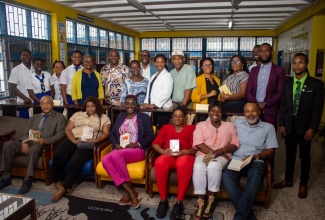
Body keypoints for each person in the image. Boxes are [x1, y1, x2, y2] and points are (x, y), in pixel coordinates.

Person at [273, 53, 324, 199]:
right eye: (294, 63)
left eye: (300, 63)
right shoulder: (287, 84)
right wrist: (282, 124)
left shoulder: (317, 84)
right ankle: (288, 180)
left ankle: (303, 184)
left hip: (306, 127)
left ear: (306, 64)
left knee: (305, 156)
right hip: (289, 126)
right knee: (290, 154)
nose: (297, 65)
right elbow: (282, 105)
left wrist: (312, 128)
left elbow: (317, 108)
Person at [222, 102, 278, 220]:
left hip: (255, 160)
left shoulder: (268, 127)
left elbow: (271, 151)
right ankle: (249, 215)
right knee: (226, 175)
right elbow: (220, 127)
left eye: (253, 111)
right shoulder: (236, 123)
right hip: (237, 159)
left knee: (256, 175)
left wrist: (256, 156)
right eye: (247, 111)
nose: (250, 114)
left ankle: (240, 216)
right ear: (244, 113)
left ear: (259, 112)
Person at [0, 96, 66, 194]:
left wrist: (45, 141)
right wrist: (24, 143)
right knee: (8, 144)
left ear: (52, 104)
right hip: (29, 142)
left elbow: (60, 134)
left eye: (48, 103)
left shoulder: (60, 117)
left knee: (35, 148)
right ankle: (6, 177)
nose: (45, 106)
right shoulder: (34, 117)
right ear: (40, 105)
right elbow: (26, 133)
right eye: (42, 103)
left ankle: (28, 179)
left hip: (43, 145)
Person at [51, 96, 111, 202]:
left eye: (93, 106)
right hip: (73, 139)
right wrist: (73, 140)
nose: (90, 109)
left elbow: (106, 134)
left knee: (76, 160)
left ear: (97, 106)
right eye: (88, 106)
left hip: (87, 143)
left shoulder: (103, 118)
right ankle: (56, 181)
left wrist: (95, 141)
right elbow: (67, 129)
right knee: (59, 154)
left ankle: (64, 188)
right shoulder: (77, 115)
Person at [101, 95, 155, 209]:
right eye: (128, 103)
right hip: (120, 149)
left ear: (136, 105)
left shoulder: (144, 117)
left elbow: (150, 136)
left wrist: (137, 143)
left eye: (133, 103)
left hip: (137, 150)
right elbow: (112, 134)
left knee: (116, 155)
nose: (130, 106)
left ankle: (129, 193)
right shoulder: (121, 116)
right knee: (105, 160)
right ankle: (130, 190)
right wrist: (116, 144)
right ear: (124, 105)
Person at [192, 101, 239, 220]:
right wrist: (212, 153)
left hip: (222, 156)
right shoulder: (201, 125)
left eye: (219, 111)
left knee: (213, 166)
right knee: (198, 167)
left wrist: (220, 151)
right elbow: (198, 143)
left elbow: (235, 144)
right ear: (209, 112)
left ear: (222, 113)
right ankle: (201, 202)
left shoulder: (229, 126)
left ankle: (211, 200)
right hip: (203, 154)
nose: (215, 113)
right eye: (213, 110)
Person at [152, 106, 196, 220]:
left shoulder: (191, 128)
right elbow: (155, 144)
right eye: (175, 116)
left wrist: (184, 152)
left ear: (185, 117)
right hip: (169, 155)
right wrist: (163, 151)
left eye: (181, 116)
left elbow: (195, 147)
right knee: (160, 162)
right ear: (172, 117)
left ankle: (179, 202)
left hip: (185, 155)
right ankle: (163, 200)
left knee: (183, 164)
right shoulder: (166, 128)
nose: (178, 118)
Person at [245, 43, 286, 129]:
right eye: (261, 51)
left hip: (270, 111)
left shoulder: (279, 70)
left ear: (271, 52)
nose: (264, 53)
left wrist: (265, 104)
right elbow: (248, 90)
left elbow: (280, 92)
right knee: (253, 137)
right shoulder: (254, 70)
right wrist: (255, 105)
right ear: (259, 53)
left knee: (269, 137)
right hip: (253, 111)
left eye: (267, 51)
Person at [141, 54, 173, 128]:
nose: (159, 64)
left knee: (162, 129)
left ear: (165, 63)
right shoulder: (154, 76)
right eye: (157, 62)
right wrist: (145, 103)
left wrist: (154, 105)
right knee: (153, 129)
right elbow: (149, 92)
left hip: (162, 109)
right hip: (153, 109)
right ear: (154, 63)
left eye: (162, 62)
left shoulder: (167, 76)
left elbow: (167, 94)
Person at [8, 49, 33, 118]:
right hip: (23, 102)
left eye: (28, 55)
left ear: (31, 56)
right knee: (24, 123)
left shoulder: (35, 68)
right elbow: (13, 87)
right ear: (21, 57)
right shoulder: (16, 70)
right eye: (24, 55)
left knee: (37, 123)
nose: (26, 57)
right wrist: (25, 98)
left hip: (36, 101)